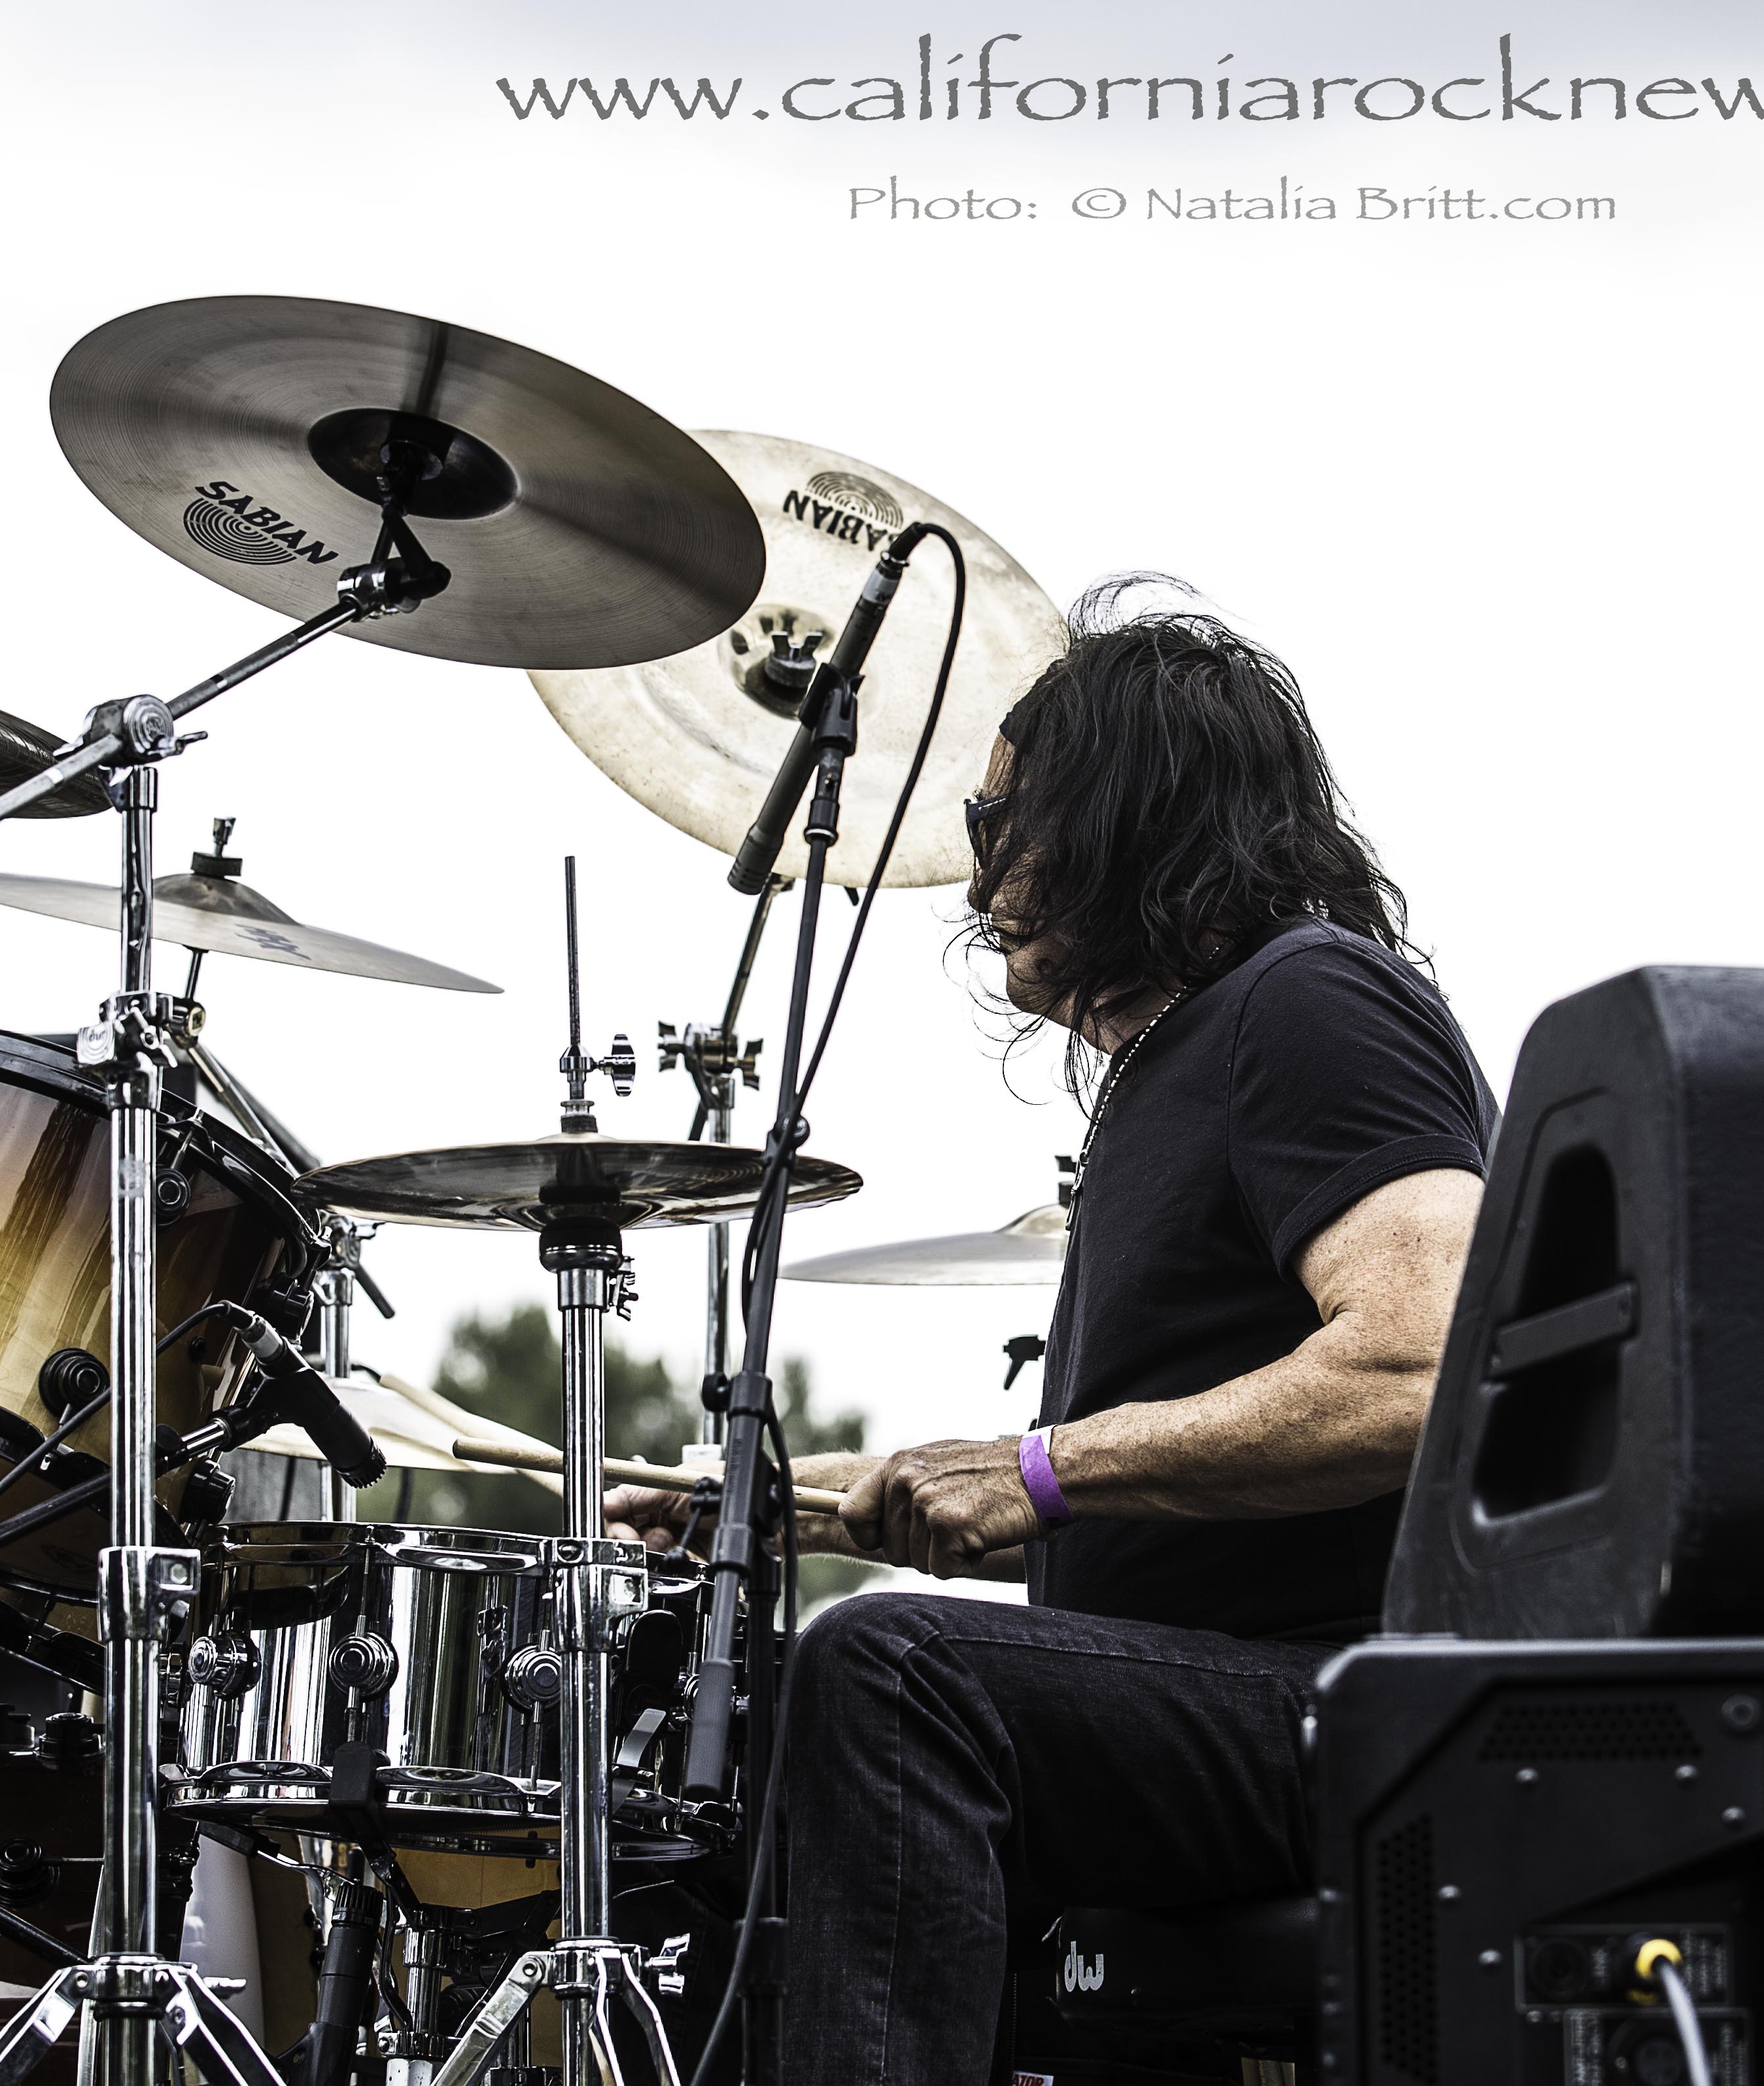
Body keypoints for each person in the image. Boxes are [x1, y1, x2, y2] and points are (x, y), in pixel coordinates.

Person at [606, 593, 1498, 2085]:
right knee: (756, 1731)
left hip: (1356, 1706)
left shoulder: (1311, 997)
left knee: (894, 1671)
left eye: (1000, 820)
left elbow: (1425, 1366)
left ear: (1124, 815)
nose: (978, 872)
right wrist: (773, 1505)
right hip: (1234, 1691)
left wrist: (1041, 1468)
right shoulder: (1182, 1057)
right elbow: (1160, 1509)